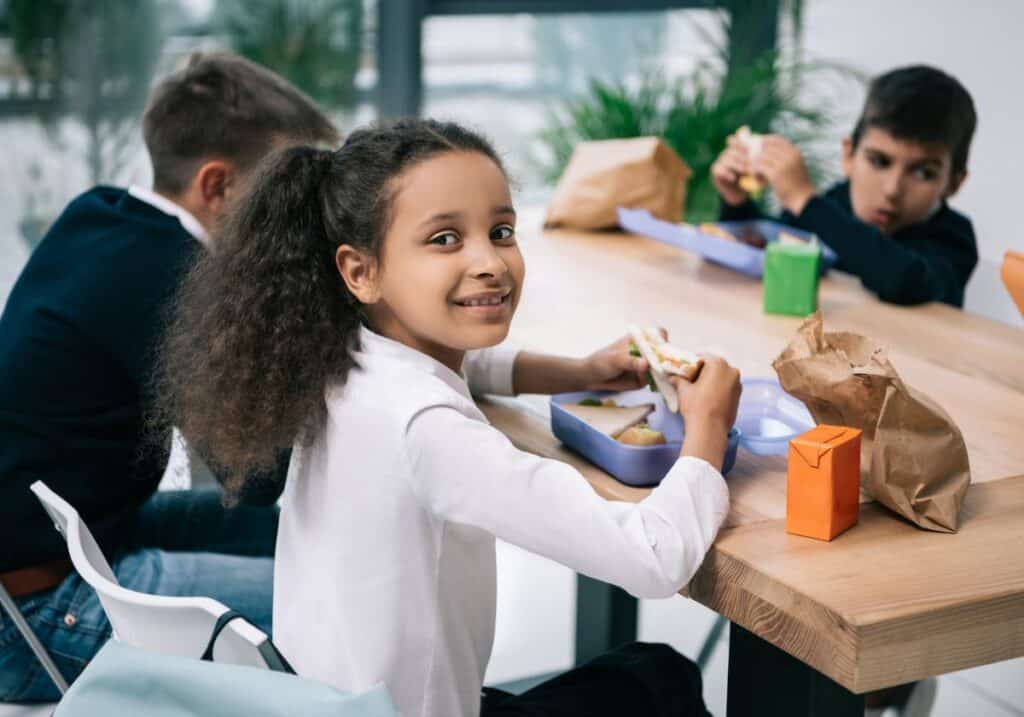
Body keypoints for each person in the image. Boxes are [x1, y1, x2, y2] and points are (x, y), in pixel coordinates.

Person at [158, 118, 743, 717]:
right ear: (360, 271)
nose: (490, 261)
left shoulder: (339, 358)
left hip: (330, 704)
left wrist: (581, 370)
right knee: (659, 679)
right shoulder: (428, 427)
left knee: (643, 673)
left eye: (501, 230)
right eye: (445, 239)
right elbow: (653, 558)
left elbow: (467, 363)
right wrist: (708, 426)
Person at [0, 52, 340, 702]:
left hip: (78, 541)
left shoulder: (99, 212)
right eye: (285, 192)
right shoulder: (181, 280)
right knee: (340, 591)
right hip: (39, 615)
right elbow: (255, 474)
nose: (299, 216)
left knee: (313, 536)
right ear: (219, 187)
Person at [711, 65, 978, 307]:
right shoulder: (837, 202)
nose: (892, 190)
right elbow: (770, 251)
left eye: (923, 172)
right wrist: (737, 203)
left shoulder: (954, 238)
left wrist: (806, 201)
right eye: (879, 162)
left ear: (953, 183)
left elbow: (904, 280)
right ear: (848, 155)